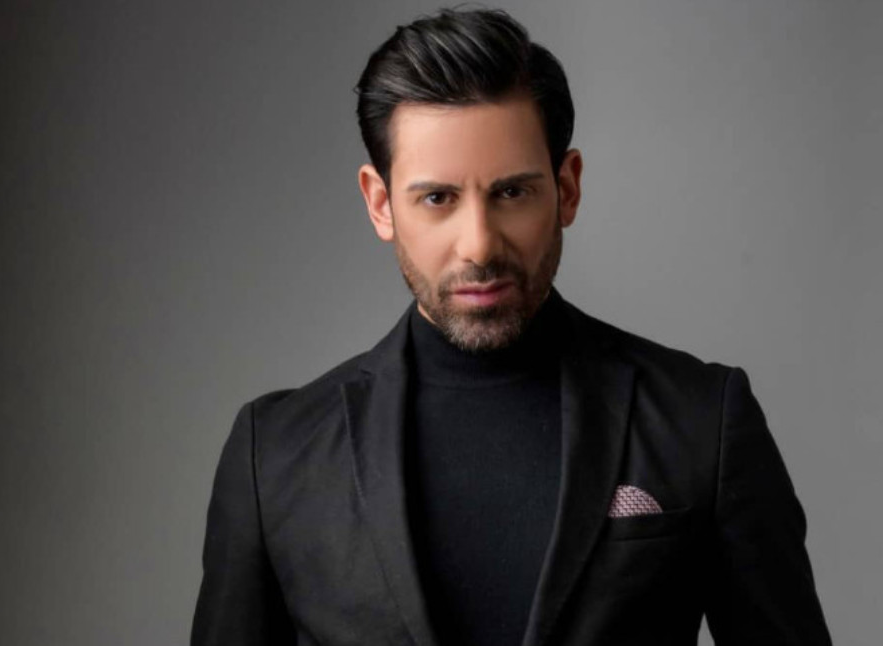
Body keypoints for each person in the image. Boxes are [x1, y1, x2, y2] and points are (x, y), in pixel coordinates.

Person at [191, 8, 832, 646]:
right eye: (437, 198)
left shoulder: (702, 421)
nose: (479, 244)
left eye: (511, 193)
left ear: (567, 188)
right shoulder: (274, 455)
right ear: (380, 204)